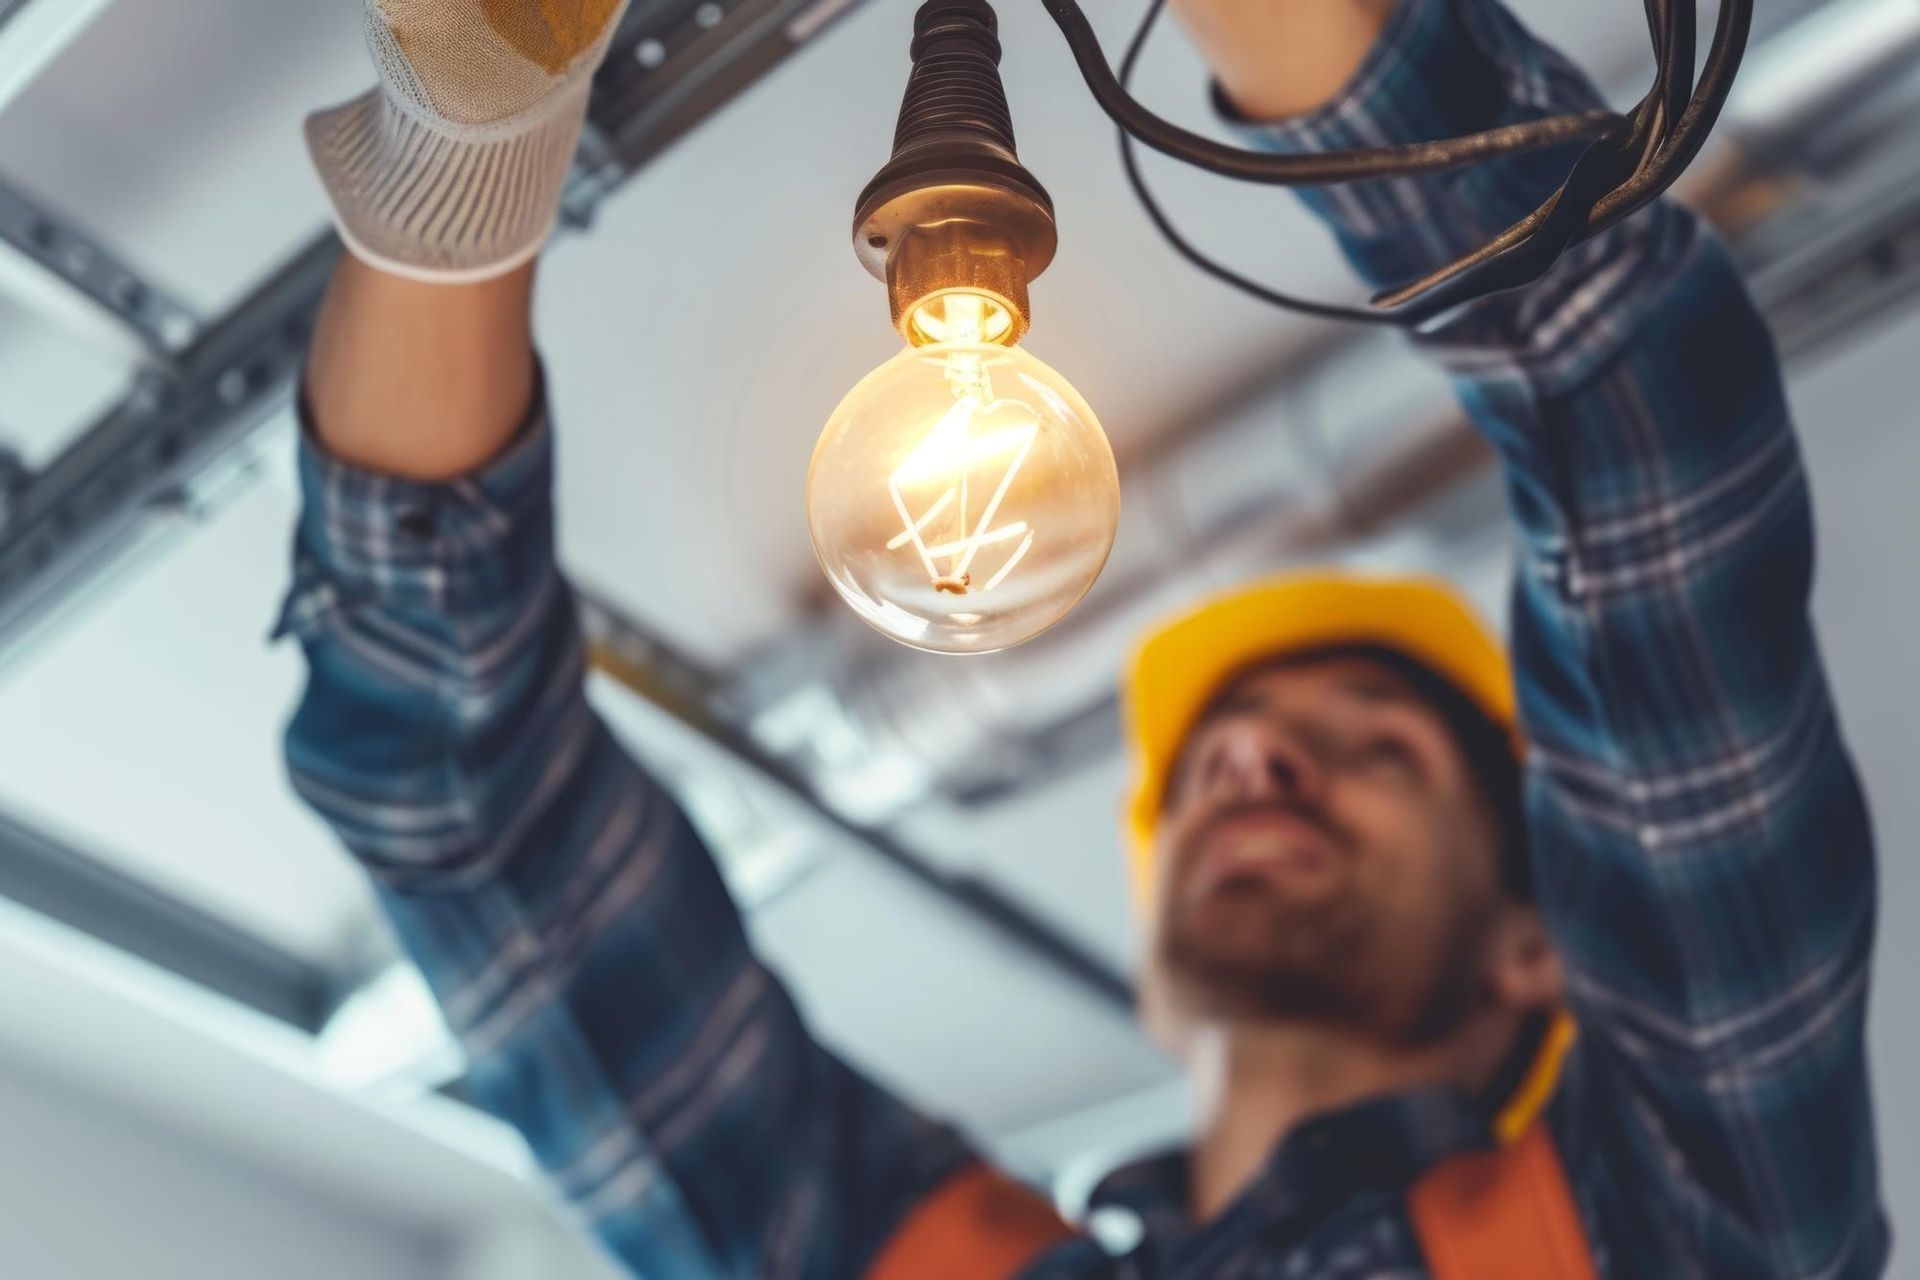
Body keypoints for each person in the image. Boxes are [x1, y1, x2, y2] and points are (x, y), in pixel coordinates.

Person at [279, 0, 1888, 1275]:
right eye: (1253, 750)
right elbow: (1637, 417)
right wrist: (464, 130)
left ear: (1531, 946)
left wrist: (451, 173)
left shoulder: (1684, 1231)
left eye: (1379, 747)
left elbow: (462, 810)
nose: (1254, 755)